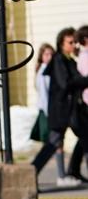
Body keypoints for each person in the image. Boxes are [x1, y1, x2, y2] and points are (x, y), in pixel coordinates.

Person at [32, 27, 88, 188]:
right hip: (61, 112)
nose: (74, 45)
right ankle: (32, 172)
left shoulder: (69, 60)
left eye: (75, 42)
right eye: (70, 42)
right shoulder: (58, 60)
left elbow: (75, 80)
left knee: (85, 138)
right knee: (52, 144)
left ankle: (73, 171)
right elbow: (66, 84)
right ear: (62, 43)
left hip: (71, 111)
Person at [67, 27, 88, 180]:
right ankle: (73, 169)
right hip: (86, 103)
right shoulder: (85, 57)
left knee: (84, 139)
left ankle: (73, 169)